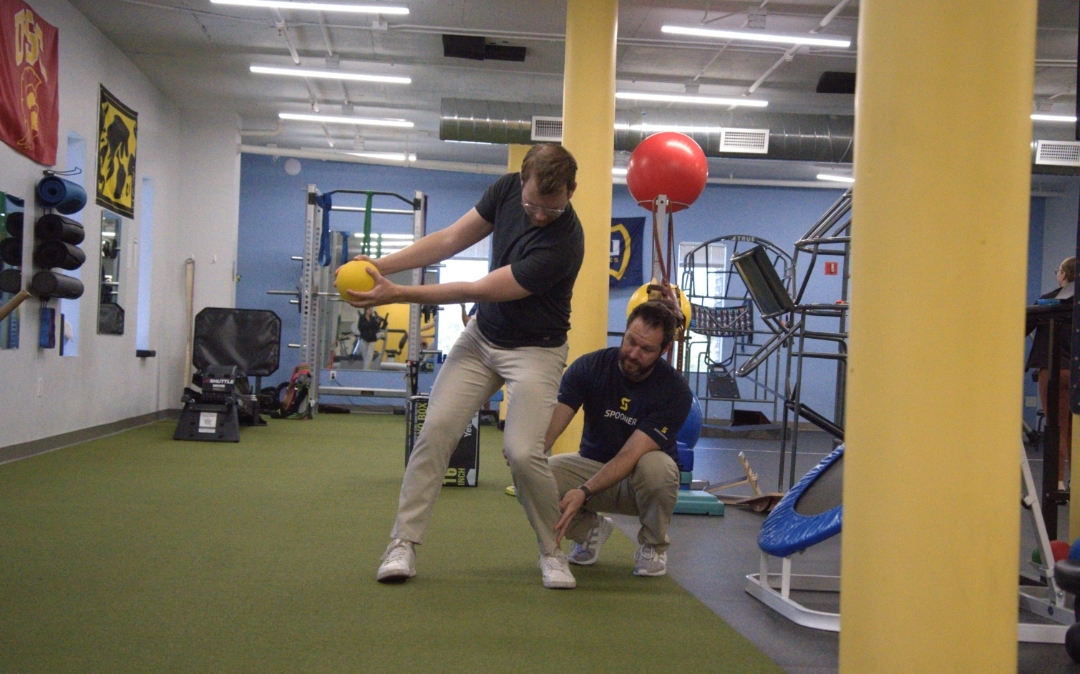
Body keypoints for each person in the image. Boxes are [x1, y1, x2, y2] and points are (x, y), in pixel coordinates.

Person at [341, 143, 585, 589]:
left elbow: (480, 287)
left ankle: (553, 553)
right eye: (532, 205)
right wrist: (379, 266)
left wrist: (397, 294)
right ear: (521, 182)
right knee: (435, 430)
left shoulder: (564, 244)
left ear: (571, 191)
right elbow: (451, 239)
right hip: (482, 339)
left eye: (551, 208)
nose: (538, 215)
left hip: (535, 351)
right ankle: (403, 543)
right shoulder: (506, 190)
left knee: (523, 454)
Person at [545, 300, 693, 579]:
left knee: (657, 468)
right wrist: (528, 452)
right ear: (624, 332)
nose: (633, 354)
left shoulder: (675, 392)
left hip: (640, 484)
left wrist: (584, 492)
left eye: (647, 349)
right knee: (537, 475)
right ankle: (589, 531)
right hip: (593, 465)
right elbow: (555, 422)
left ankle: (653, 545)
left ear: (664, 350)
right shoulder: (589, 367)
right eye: (630, 342)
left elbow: (629, 456)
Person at [1026, 256, 1075, 492]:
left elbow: (1021, 327)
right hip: (1076, 371)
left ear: (1064, 275)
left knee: (1056, 428)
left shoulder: (1047, 301)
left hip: (1054, 371)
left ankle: (1057, 483)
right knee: (1074, 430)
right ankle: (1076, 483)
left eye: (1059, 270)